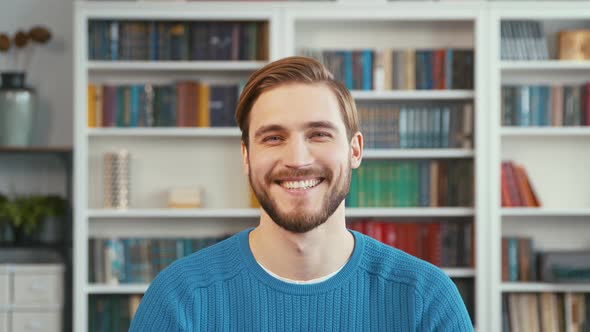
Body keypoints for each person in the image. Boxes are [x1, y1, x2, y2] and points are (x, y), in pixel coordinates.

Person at [129, 56, 473, 331]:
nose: (297, 160)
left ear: (355, 151)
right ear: (246, 157)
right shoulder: (181, 298)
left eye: (319, 134)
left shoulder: (425, 298)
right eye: (273, 138)